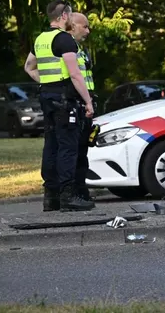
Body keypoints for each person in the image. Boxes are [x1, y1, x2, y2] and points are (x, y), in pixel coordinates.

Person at [24, 0, 95, 212]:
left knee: (51, 146)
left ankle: (51, 197)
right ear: (64, 15)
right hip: (66, 101)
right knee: (68, 148)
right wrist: (88, 101)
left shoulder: (40, 39)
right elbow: (75, 74)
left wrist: (46, 83)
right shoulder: (65, 40)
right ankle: (68, 196)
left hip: (48, 98)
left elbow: (29, 66)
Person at [69, 12, 97, 202]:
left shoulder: (79, 49)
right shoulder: (65, 48)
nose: (88, 31)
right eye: (84, 26)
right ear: (72, 26)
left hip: (85, 104)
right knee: (74, 151)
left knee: (82, 151)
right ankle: (76, 191)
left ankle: (81, 188)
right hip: (75, 105)